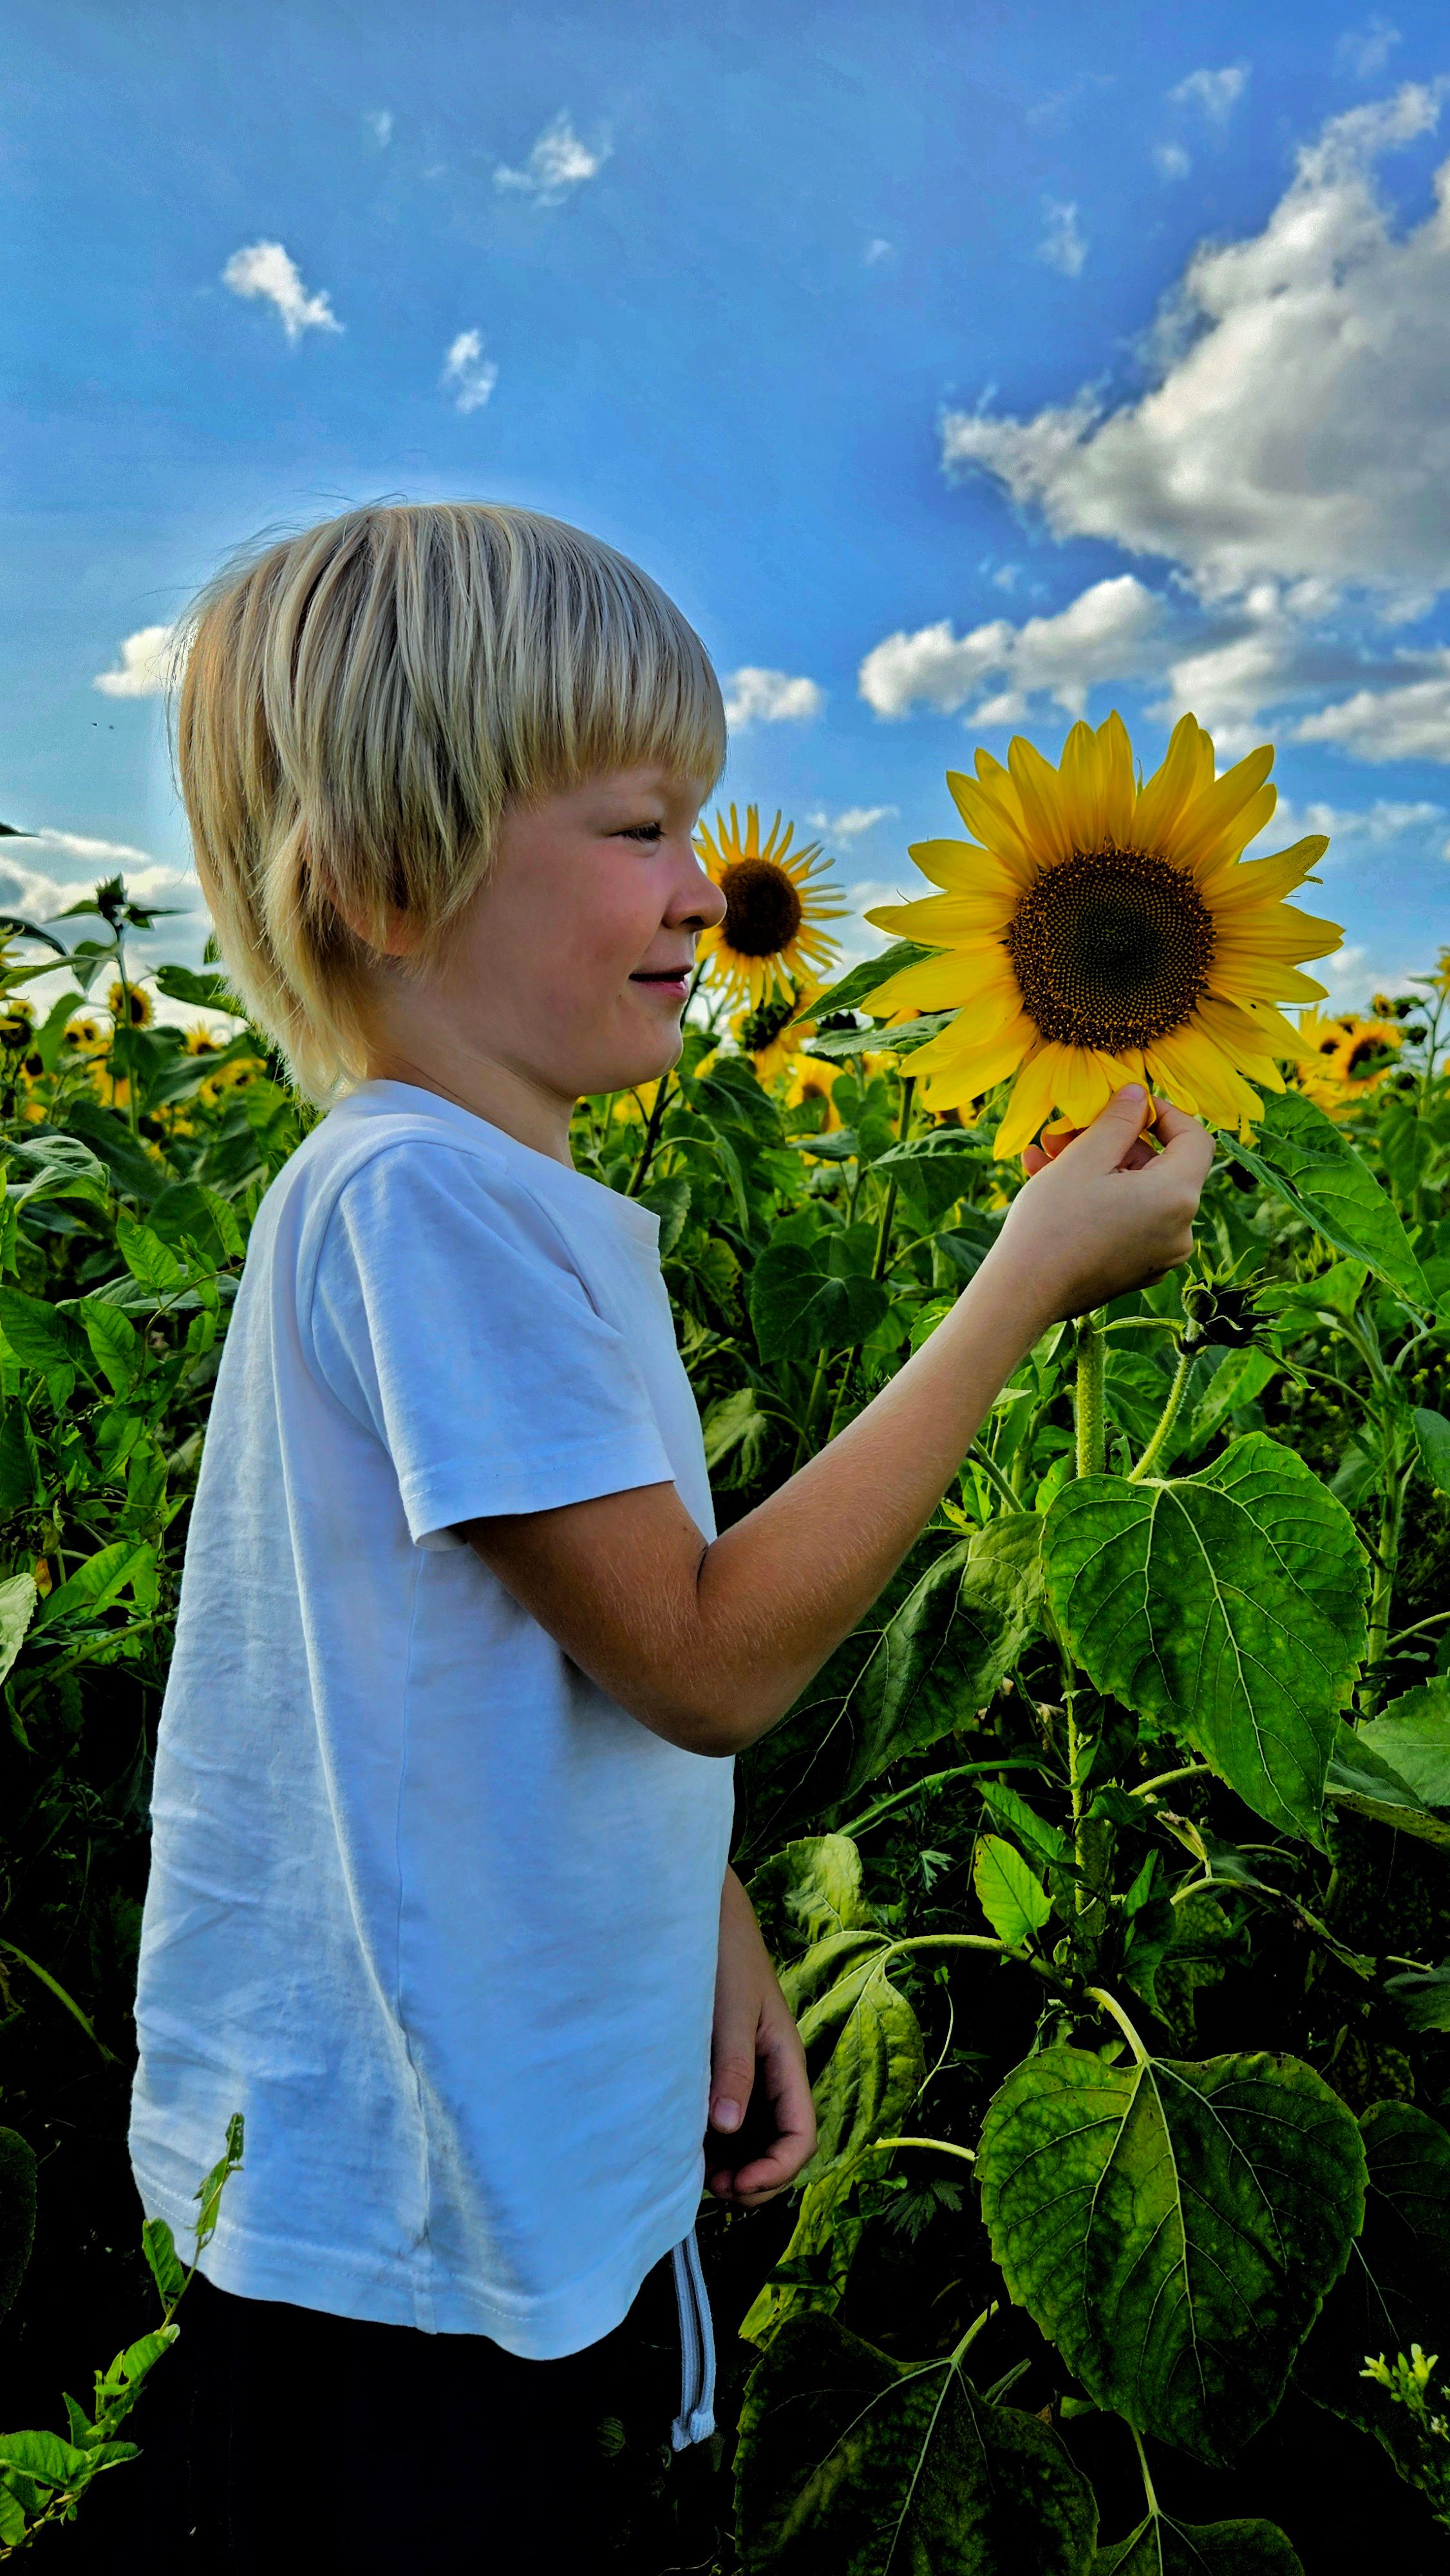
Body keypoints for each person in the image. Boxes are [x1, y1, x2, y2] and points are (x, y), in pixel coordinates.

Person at [121, 502, 1213, 2570]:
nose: (707, 894)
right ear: (376, 882)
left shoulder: (476, 1197)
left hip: (486, 2137)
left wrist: (697, 1907)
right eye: (635, 829)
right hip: (411, 2241)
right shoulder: (420, 1203)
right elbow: (701, 1653)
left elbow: (541, 1657)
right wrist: (1014, 1293)